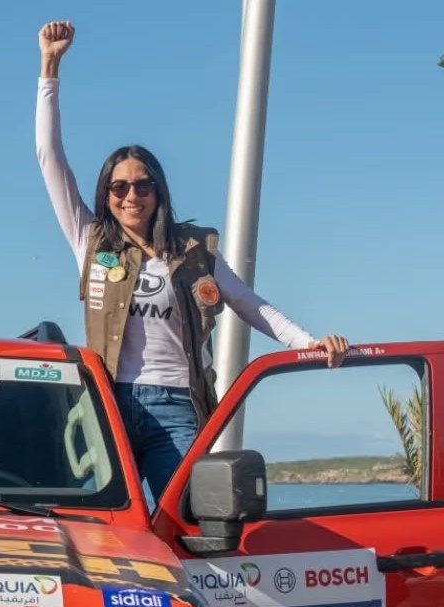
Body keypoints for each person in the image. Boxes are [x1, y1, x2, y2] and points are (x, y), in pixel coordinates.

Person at [35, 20, 349, 503]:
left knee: (183, 516)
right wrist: (50, 69)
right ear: (106, 194)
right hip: (109, 403)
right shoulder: (91, 240)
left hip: (177, 405)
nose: (132, 195)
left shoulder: (194, 250)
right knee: (102, 524)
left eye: (143, 185)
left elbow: (250, 305)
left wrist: (310, 343)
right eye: (120, 187)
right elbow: (49, 158)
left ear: (159, 191)